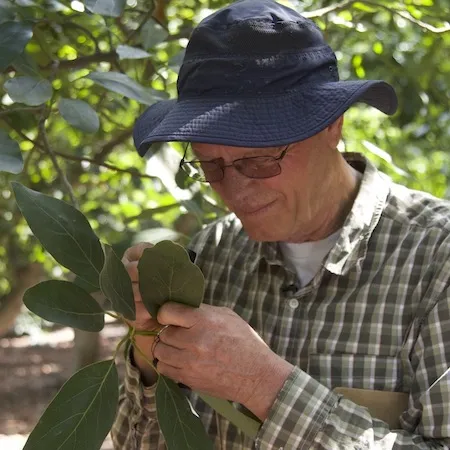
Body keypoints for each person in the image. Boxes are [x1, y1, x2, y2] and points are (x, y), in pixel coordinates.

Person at [111, 0, 450, 448]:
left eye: (259, 159)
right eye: (211, 166)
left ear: (332, 125)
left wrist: (265, 387)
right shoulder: (210, 255)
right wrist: (150, 351)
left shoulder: (436, 261)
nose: (234, 191)